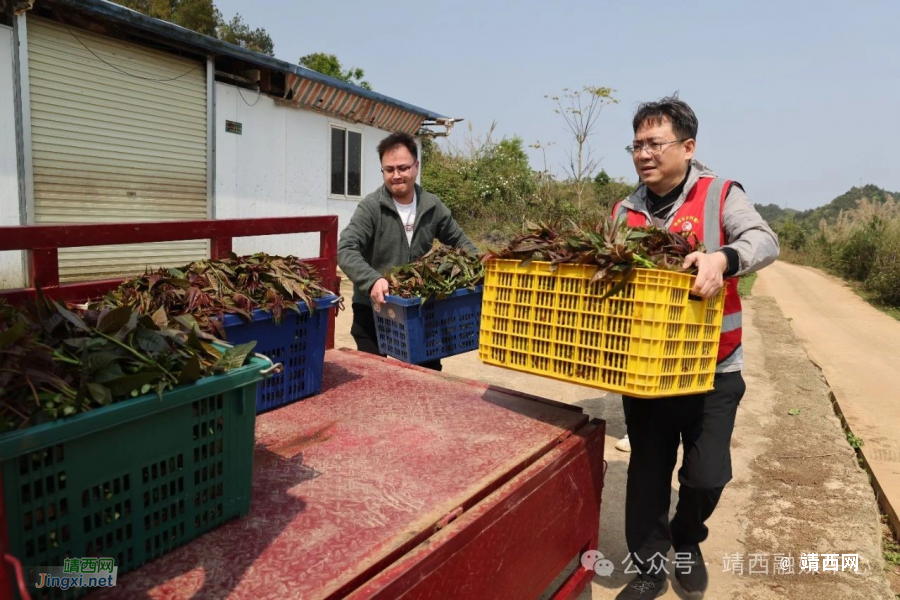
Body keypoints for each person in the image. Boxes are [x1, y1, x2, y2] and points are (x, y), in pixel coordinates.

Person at [612, 95, 779, 600]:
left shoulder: (720, 194)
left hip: (714, 366)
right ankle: (648, 566)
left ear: (688, 147)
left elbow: (764, 240)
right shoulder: (624, 210)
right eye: (636, 144)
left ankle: (687, 537)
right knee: (647, 473)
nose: (643, 153)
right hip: (647, 369)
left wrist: (723, 259)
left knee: (707, 476)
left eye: (655, 143)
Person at [337, 132, 477, 371]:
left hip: (417, 311)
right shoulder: (371, 207)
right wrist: (372, 280)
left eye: (403, 167)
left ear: (416, 166)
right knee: (375, 378)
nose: (396, 175)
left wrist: (483, 266)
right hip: (374, 309)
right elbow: (346, 248)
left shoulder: (432, 206)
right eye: (389, 169)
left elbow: (461, 243)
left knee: (427, 377)